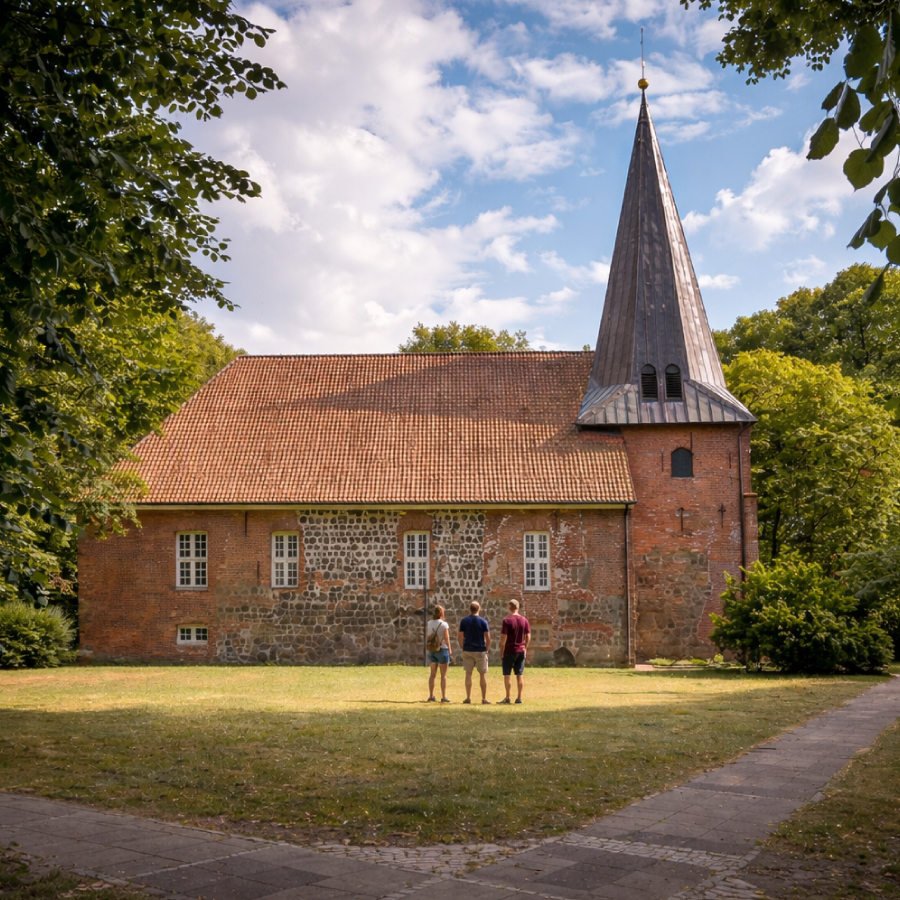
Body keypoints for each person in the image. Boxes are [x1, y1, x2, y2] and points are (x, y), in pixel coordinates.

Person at [458, 601, 491, 704]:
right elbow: (488, 637)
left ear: (470, 609)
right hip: (480, 649)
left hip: (468, 649)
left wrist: (463, 646)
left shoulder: (464, 621)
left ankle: (468, 697)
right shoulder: (483, 622)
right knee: (482, 674)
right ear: (479, 609)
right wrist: (487, 648)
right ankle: (484, 698)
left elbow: (460, 636)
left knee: (468, 673)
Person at [499, 599, 531, 704]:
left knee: (507, 674)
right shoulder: (524, 620)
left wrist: (501, 651)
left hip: (509, 650)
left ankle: (507, 697)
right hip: (520, 650)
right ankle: (519, 697)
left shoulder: (507, 621)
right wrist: (525, 647)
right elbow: (528, 636)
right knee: (519, 674)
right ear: (518, 607)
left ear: (509, 607)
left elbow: (503, 639)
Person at [426, 605, 452, 703]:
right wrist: (449, 649)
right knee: (443, 675)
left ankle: (431, 695)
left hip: (432, 650)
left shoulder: (429, 623)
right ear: (441, 613)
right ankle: (444, 696)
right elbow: (446, 638)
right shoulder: (444, 624)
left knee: (432, 674)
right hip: (442, 649)